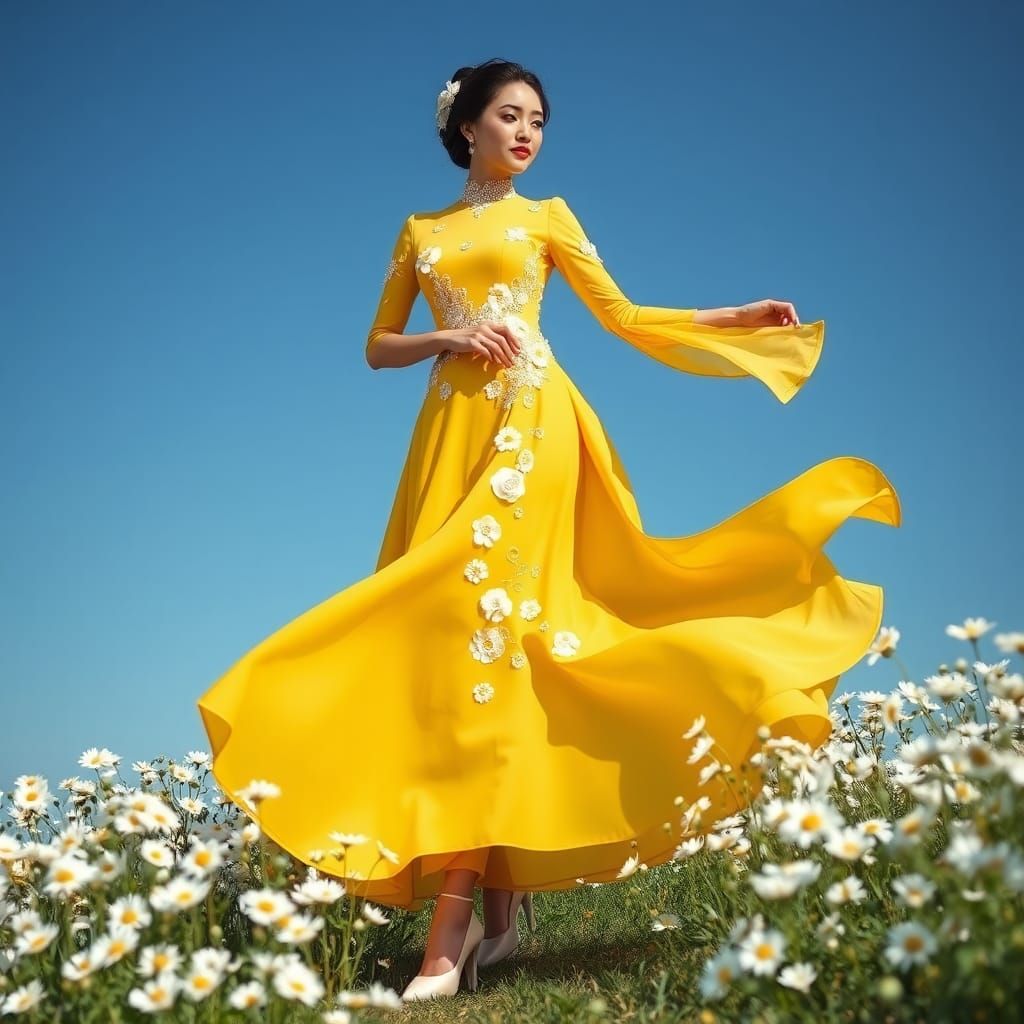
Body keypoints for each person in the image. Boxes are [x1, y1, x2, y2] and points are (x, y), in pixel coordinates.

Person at [196, 58, 902, 1002]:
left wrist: (734, 318)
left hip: (533, 431)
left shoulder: (550, 215)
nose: (527, 133)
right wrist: (446, 339)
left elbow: (622, 314)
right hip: (447, 434)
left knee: (483, 634)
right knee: (453, 651)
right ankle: (498, 918)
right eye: (509, 116)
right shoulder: (422, 230)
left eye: (538, 120)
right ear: (467, 127)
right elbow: (376, 346)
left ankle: (448, 939)